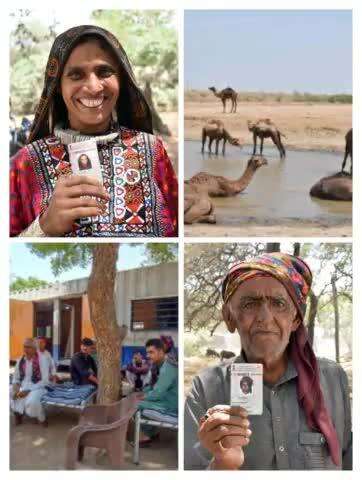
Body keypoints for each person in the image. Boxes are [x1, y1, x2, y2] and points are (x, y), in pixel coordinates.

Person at [184, 252, 352, 470]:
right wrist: (223, 463)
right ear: (229, 317)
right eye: (250, 304)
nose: (264, 316)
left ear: (296, 319)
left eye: (279, 303)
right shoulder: (205, 388)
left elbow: (350, 460)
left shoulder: (333, 378)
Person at [10, 25, 178, 238]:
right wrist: (45, 226)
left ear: (121, 79)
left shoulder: (153, 150)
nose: (93, 87)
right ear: (58, 86)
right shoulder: (24, 165)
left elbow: (176, 228)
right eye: (76, 75)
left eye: (104, 72)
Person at [136, 338, 178, 445]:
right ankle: (152, 433)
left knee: (136, 405)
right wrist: (143, 392)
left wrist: (143, 397)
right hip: (165, 399)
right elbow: (152, 386)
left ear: (161, 352)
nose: (148, 355)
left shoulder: (167, 368)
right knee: (139, 400)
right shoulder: (158, 366)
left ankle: (147, 436)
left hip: (172, 405)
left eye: (151, 352)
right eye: (147, 352)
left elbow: (157, 392)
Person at [10, 338, 49, 426]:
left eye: (28, 347)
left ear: (35, 349)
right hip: (23, 385)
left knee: (32, 402)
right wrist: (15, 388)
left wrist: (28, 390)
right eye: (24, 347)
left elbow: (45, 381)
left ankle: (41, 417)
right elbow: (16, 378)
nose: (25, 350)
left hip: (38, 386)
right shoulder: (20, 360)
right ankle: (18, 413)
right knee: (9, 393)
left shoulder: (42, 359)